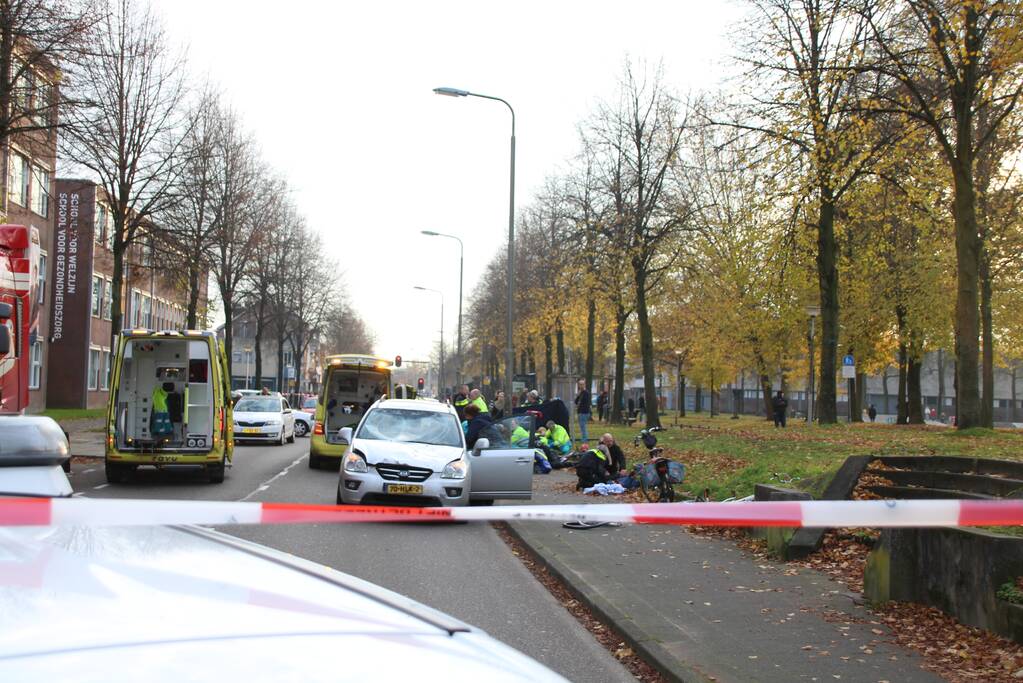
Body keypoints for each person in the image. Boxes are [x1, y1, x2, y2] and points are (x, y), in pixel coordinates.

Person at [574, 379, 591, 445]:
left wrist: (580, 405)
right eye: (579, 384)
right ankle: (583, 438)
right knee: (582, 426)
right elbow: (576, 402)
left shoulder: (586, 393)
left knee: (583, 426)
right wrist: (578, 395)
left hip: (584, 412)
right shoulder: (580, 393)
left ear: (584, 385)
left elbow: (586, 403)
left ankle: (585, 439)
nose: (580, 386)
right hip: (580, 412)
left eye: (582, 384)